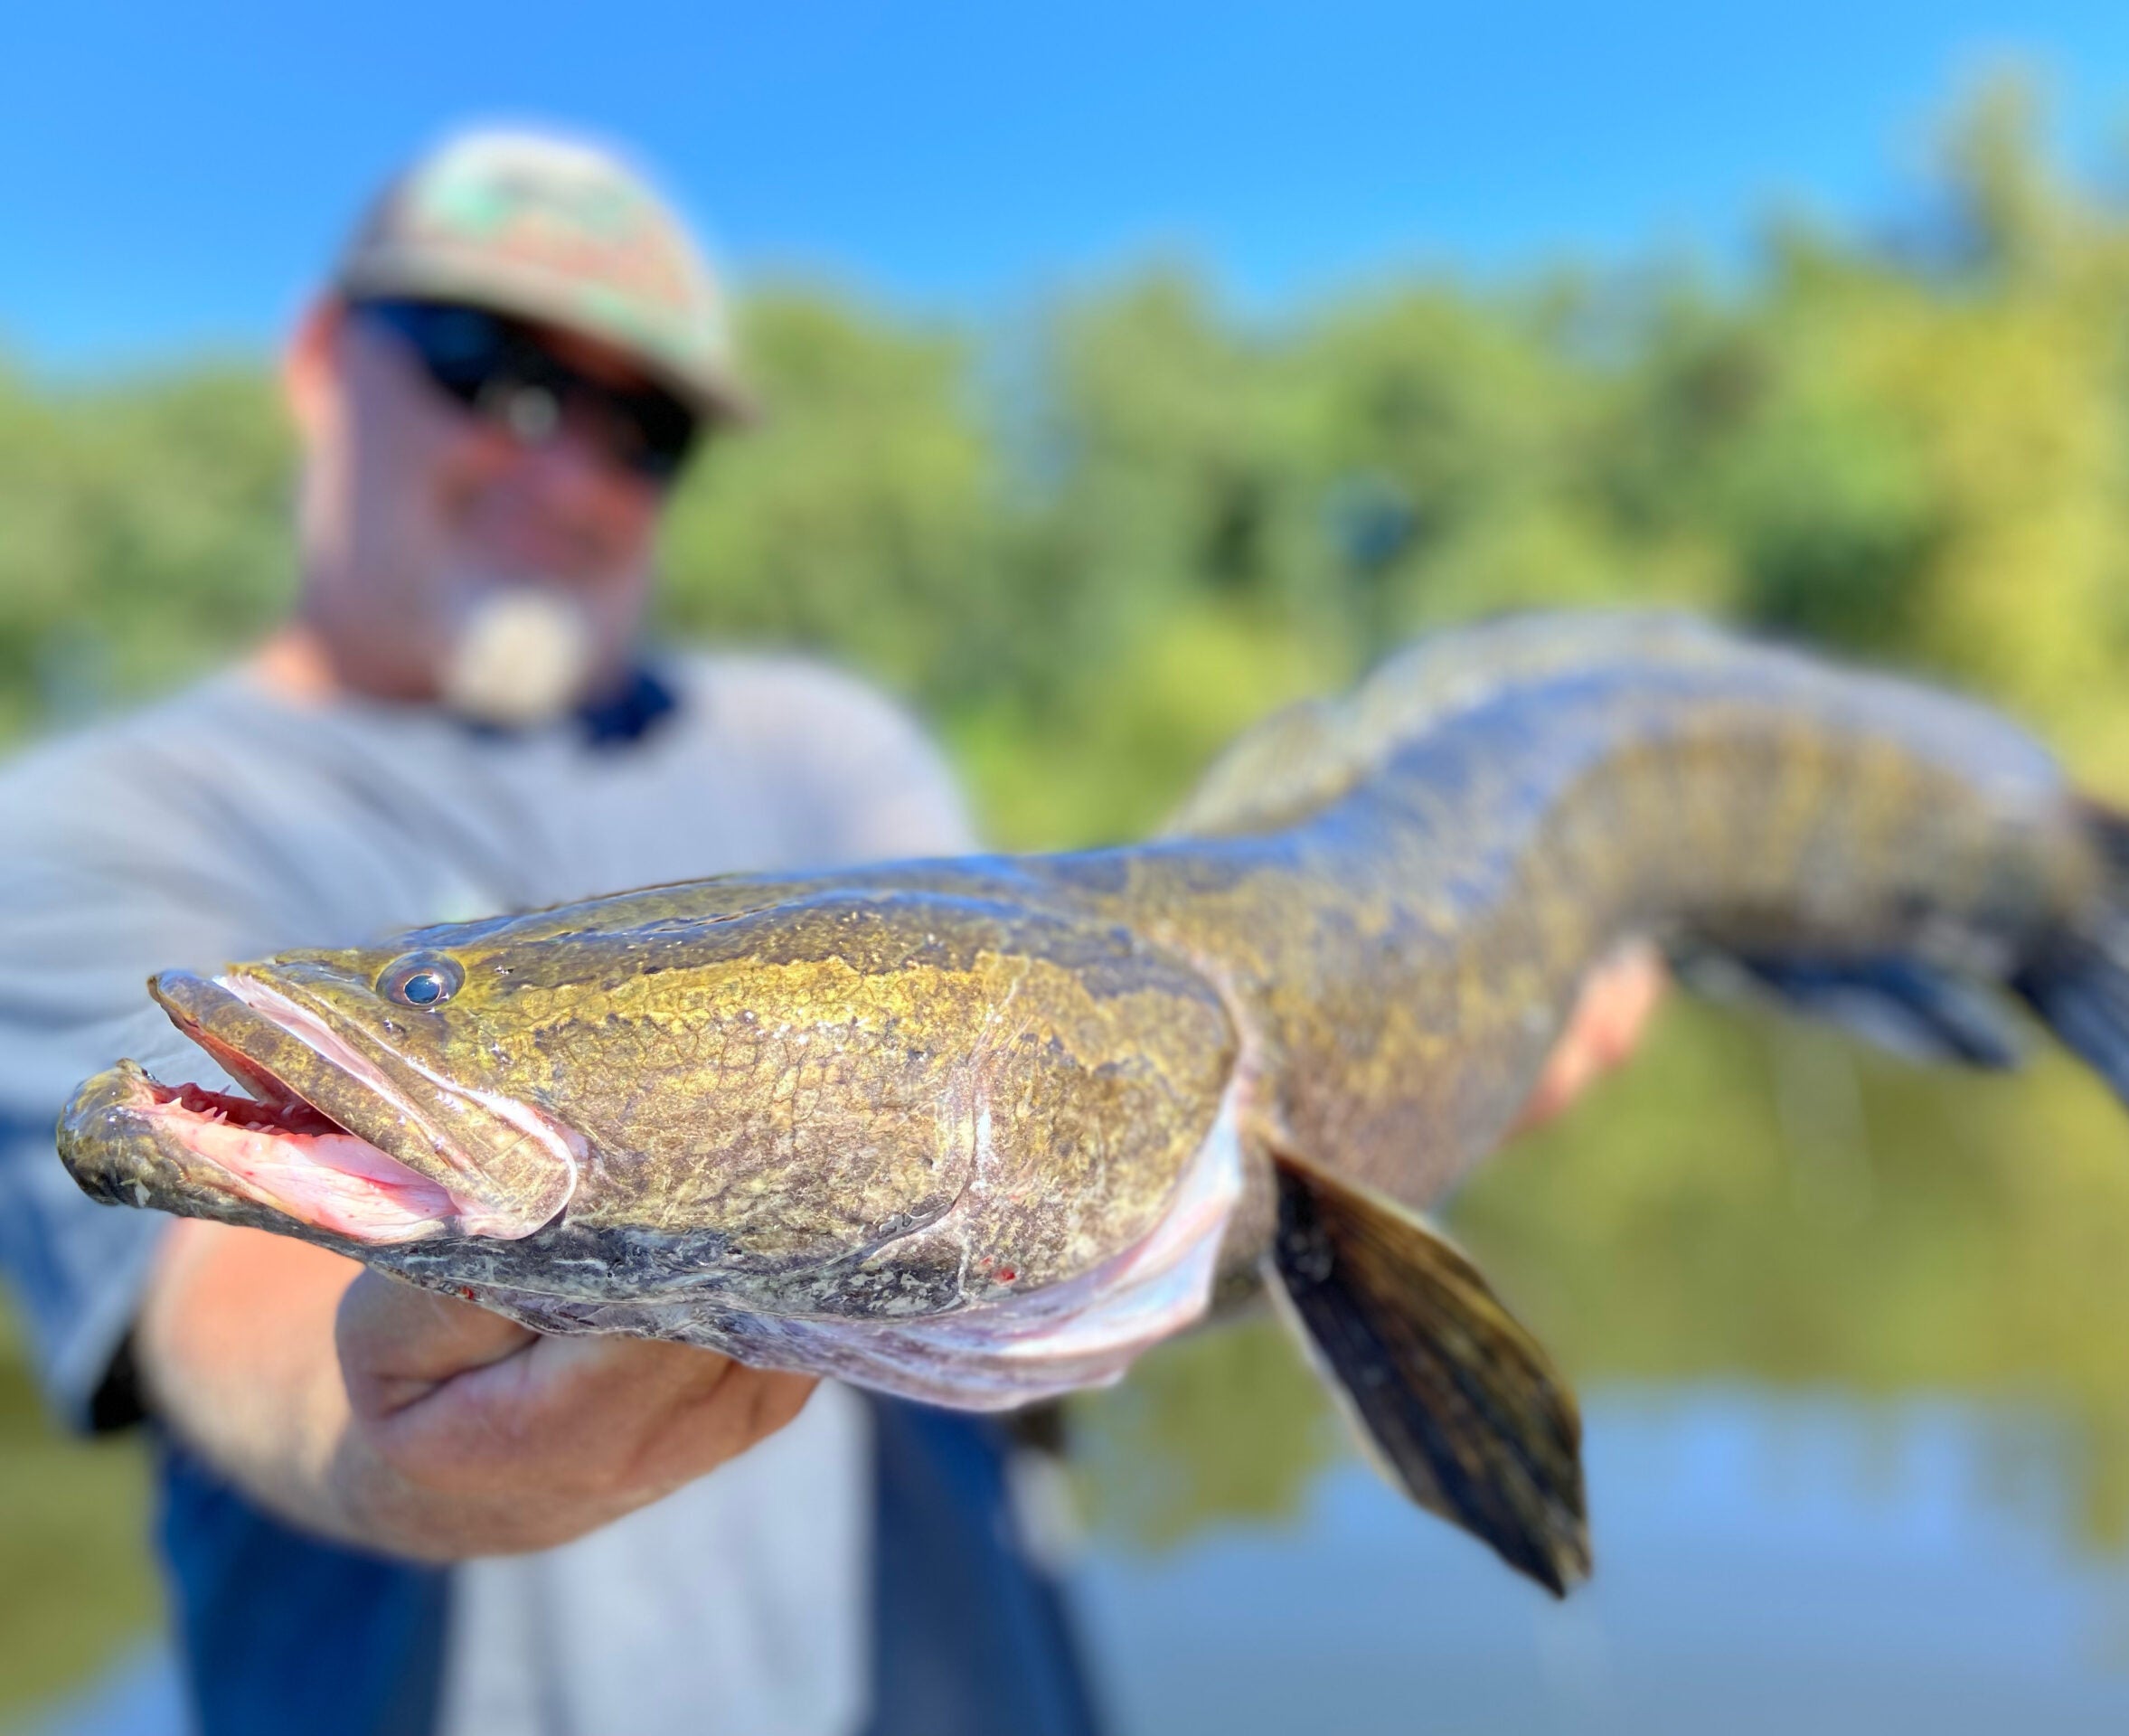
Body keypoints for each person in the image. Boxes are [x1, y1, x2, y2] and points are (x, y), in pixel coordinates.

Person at [0, 127, 1660, 1736]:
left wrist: (1401, 1095)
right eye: (486, 366)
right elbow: (212, 1305)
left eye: (642, 423)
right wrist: (370, 1429)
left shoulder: (815, 748)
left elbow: (1055, 1140)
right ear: (316, 359)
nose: (566, 462)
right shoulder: (88, 827)